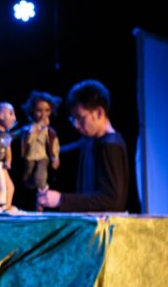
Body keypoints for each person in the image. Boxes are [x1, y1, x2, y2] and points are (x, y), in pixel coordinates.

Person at [38, 80, 129, 212]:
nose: (76, 124)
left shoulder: (111, 146)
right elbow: (60, 152)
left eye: (80, 118)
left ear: (98, 113)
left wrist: (60, 199)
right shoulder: (90, 141)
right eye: (73, 119)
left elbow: (111, 200)